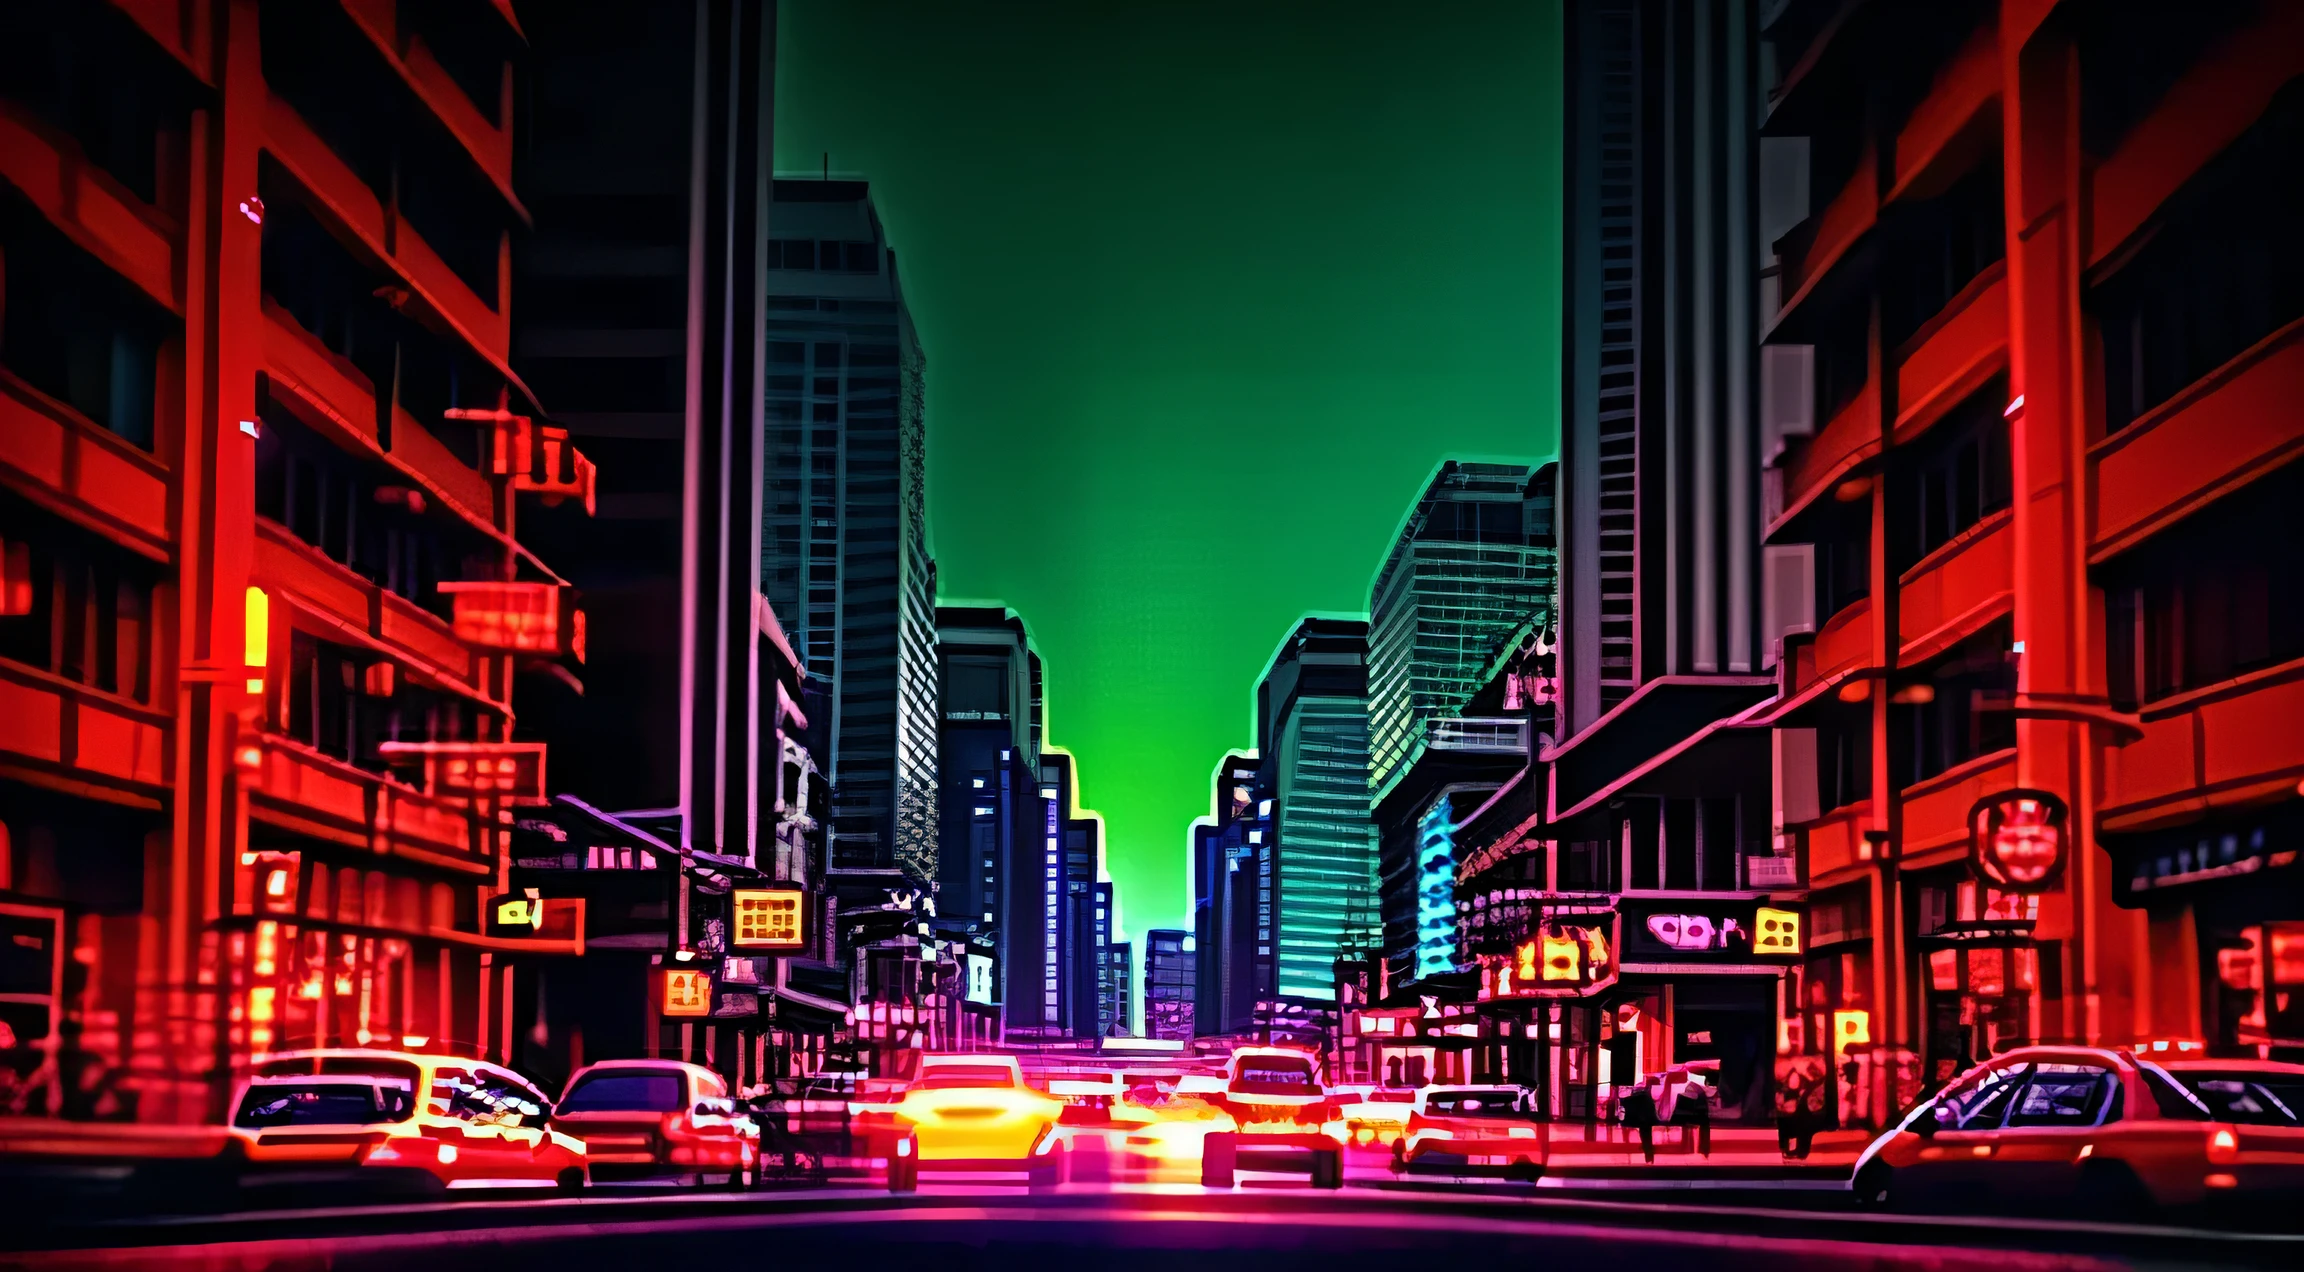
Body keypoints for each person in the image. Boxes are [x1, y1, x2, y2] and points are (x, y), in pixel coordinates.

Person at [1618, 1074, 1659, 1163]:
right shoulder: (1645, 1095)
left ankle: (1647, 1151)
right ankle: (1648, 1151)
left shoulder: (1644, 1092)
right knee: (1645, 1129)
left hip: (1640, 1111)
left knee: (1645, 1129)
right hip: (1639, 1110)